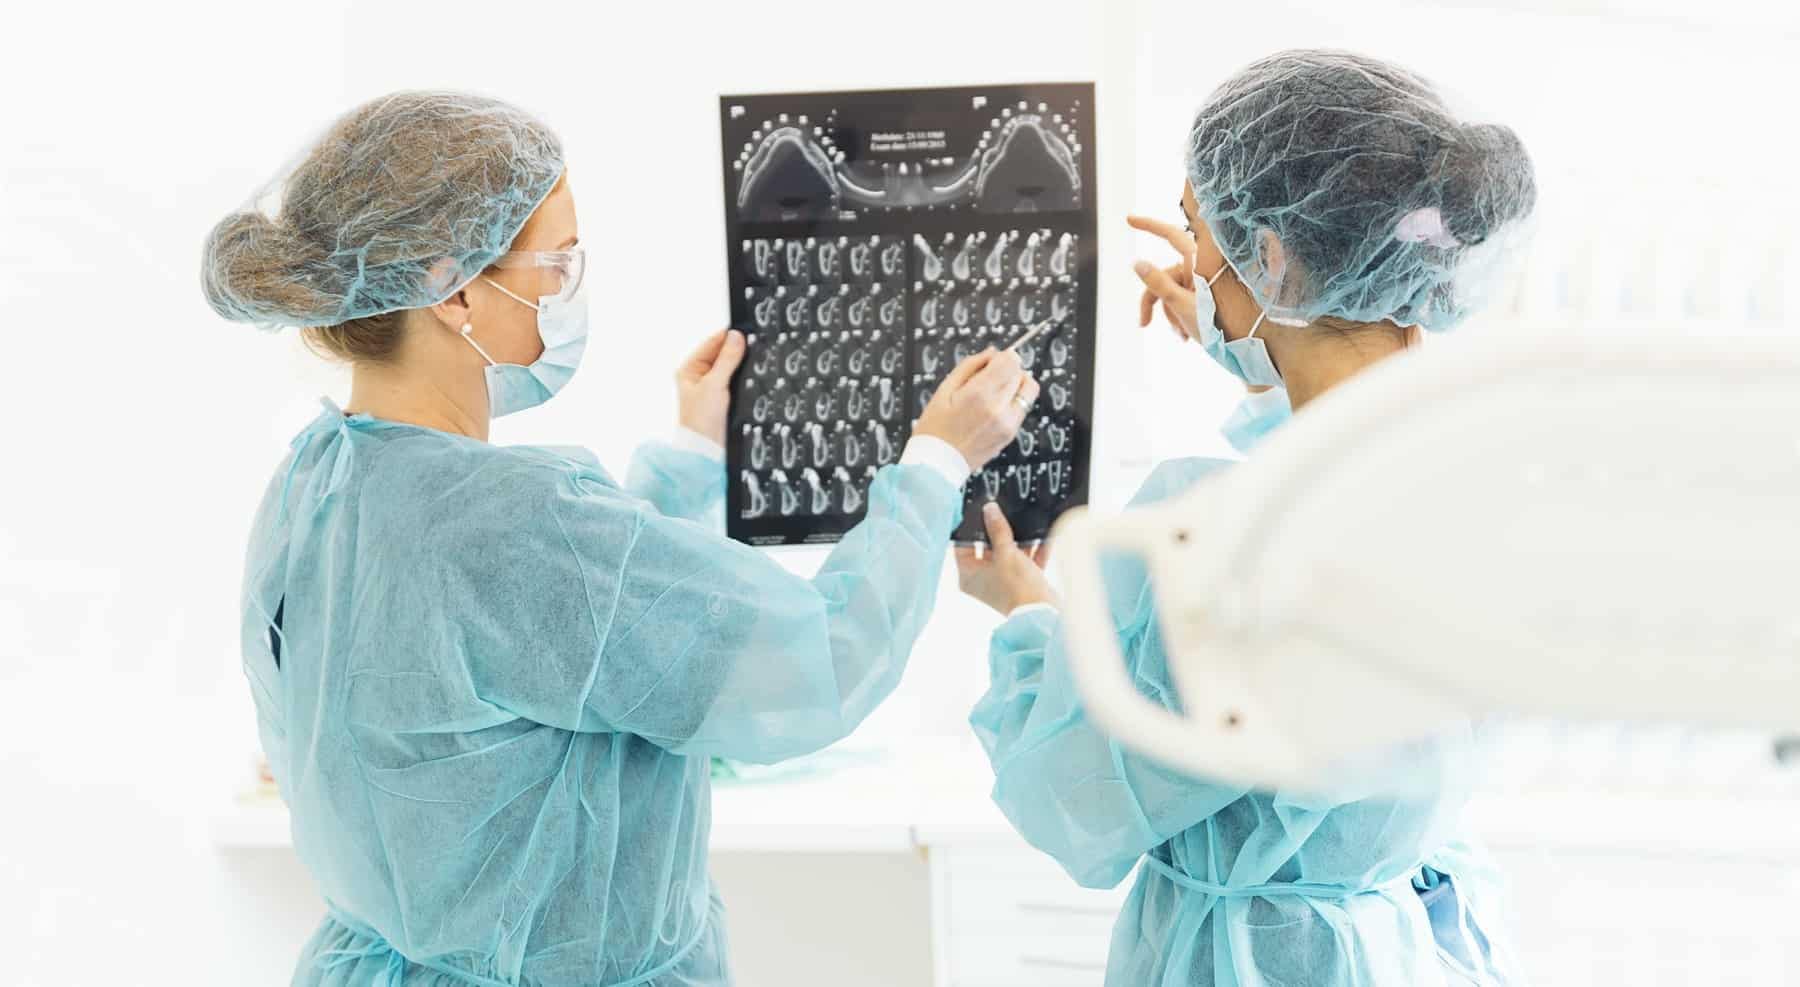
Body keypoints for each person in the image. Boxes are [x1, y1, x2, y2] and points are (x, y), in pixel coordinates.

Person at [203, 90, 1037, 987]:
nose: (567, 289)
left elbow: (578, 632)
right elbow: (819, 658)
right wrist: (935, 465)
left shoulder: (314, 484)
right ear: (453, 288)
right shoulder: (514, 522)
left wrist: (688, 450)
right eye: (554, 262)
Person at [957, 50, 1537, 986]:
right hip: (1404, 950)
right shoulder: (1481, 477)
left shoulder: (1212, 541)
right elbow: (1336, 484)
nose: (1192, 258)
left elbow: (1071, 797)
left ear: (1270, 259)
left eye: (1200, 231)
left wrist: (1025, 612)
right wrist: (1262, 353)